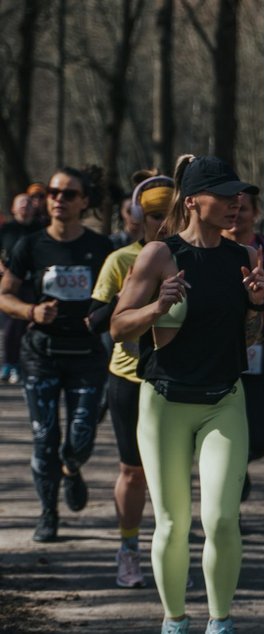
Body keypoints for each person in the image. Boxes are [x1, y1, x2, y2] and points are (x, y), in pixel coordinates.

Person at [111, 155, 264, 634]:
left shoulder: (244, 256)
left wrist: (260, 303)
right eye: (223, 195)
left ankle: (221, 623)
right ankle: (175, 621)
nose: (234, 203)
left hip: (224, 399)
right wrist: (159, 305)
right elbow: (118, 326)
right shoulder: (160, 255)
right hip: (164, 402)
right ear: (194, 201)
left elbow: (253, 336)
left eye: (237, 195)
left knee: (222, 521)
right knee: (174, 525)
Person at [0, 167, 113, 543]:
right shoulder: (29, 246)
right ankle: (48, 514)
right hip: (41, 355)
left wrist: (102, 316)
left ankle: (71, 466)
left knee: (80, 438)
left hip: (86, 355)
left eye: (68, 194)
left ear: (84, 202)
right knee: (44, 437)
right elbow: (5, 295)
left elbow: (120, 299)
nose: (58, 199)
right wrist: (31, 312)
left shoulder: (101, 249)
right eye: (53, 192)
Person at [88, 175, 174, 589]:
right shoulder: (121, 260)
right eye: (156, 215)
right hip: (129, 377)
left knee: (171, 474)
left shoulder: (192, 257)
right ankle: (128, 548)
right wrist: (135, 298)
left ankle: (170, 553)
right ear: (140, 218)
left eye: (171, 214)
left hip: (177, 380)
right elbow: (97, 319)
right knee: (134, 471)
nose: (164, 223)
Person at [222, 191, 264, 503]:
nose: (236, 215)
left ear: (256, 213)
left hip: (261, 348)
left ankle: (241, 462)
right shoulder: (214, 248)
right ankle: (229, 479)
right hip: (219, 351)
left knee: (261, 436)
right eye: (231, 208)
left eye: (243, 209)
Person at [0, 193, 43, 383]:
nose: (25, 206)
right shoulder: (6, 230)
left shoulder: (41, 229)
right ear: (13, 208)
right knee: (11, 327)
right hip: (10, 284)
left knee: (32, 326)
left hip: (34, 284)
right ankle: (10, 364)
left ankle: (30, 364)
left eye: (28, 203)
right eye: (21, 203)